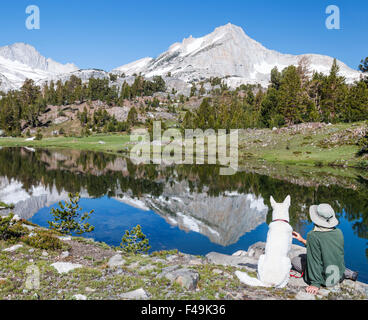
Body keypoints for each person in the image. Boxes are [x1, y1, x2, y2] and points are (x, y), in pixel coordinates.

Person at [292, 204, 358, 295]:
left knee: (295, 260)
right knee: (330, 258)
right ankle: (348, 273)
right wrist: (302, 240)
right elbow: (327, 249)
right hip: (338, 274)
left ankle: (321, 279)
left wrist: (315, 283)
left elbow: (314, 261)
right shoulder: (338, 232)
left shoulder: (313, 235)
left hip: (326, 279)